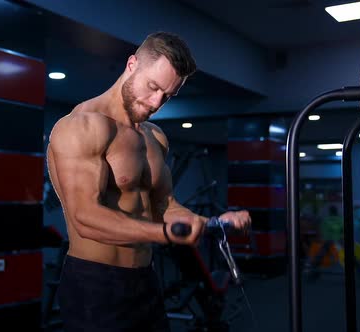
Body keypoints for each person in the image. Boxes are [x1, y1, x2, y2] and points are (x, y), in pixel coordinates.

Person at [46, 31, 251, 331]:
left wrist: (213, 223)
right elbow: (84, 218)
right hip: (96, 284)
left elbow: (164, 205)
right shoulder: (83, 125)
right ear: (132, 65)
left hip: (145, 280)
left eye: (168, 95)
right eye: (153, 87)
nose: (157, 102)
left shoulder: (154, 138)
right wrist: (165, 234)